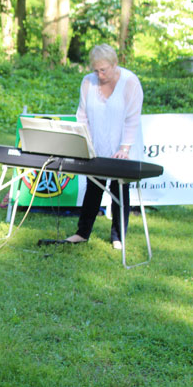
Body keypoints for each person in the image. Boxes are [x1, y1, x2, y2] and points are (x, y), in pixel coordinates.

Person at [63, 43, 144, 249]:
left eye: (103, 70)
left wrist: (124, 148)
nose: (99, 74)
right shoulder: (87, 82)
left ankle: (118, 236)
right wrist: (85, 142)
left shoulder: (130, 82)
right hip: (96, 143)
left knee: (119, 188)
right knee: (93, 188)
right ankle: (82, 233)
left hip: (122, 144)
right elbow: (82, 115)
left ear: (115, 64)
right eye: (95, 70)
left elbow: (132, 119)